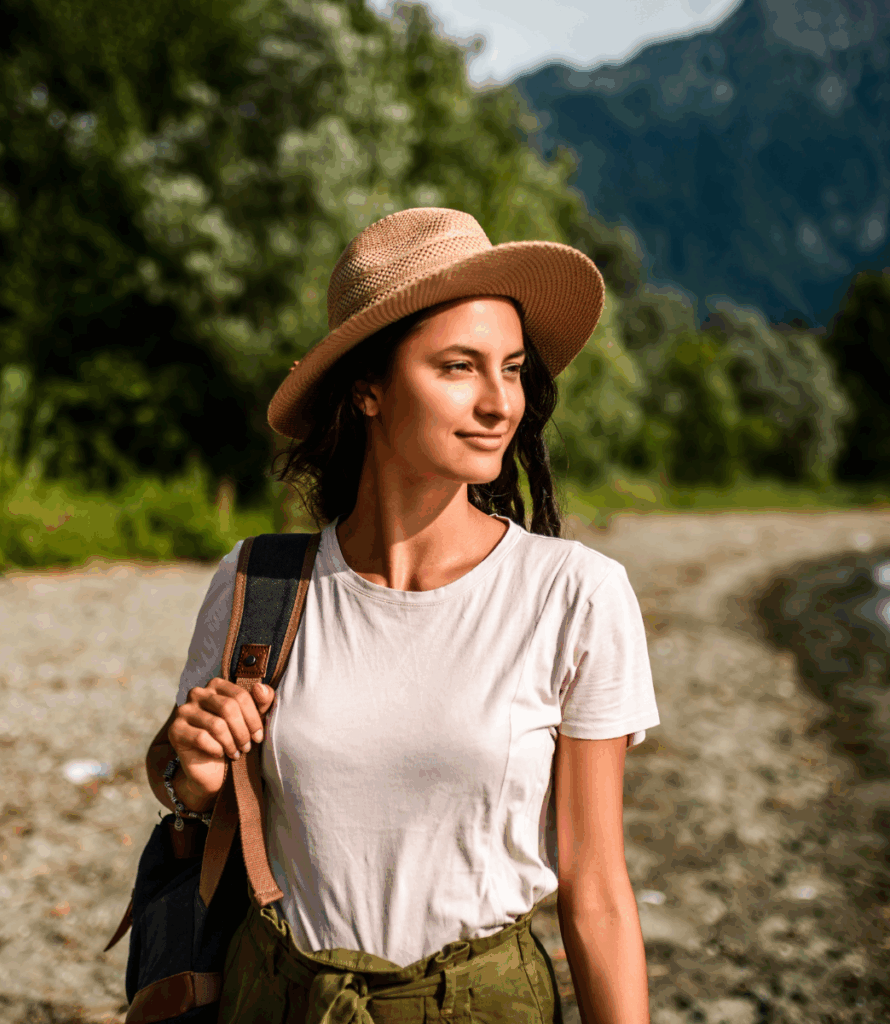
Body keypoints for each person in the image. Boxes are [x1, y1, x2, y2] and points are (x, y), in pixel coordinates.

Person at [145, 207, 661, 1024]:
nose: (501, 403)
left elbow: (596, 891)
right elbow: (190, 795)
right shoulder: (259, 586)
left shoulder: (576, 594)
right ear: (369, 390)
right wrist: (195, 774)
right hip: (275, 1001)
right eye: (459, 367)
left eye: (514, 369)